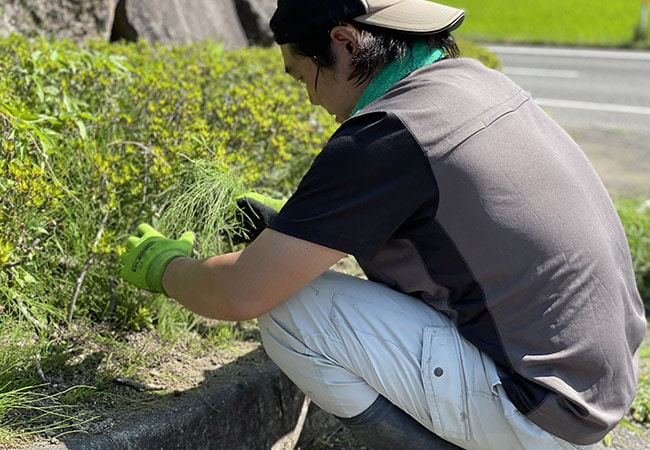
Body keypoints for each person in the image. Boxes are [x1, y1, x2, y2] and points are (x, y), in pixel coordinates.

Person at [119, 1, 647, 449]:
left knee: (290, 312)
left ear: (345, 43)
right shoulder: (474, 85)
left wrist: (166, 267)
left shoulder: (389, 136)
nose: (311, 98)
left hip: (544, 412)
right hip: (597, 385)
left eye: (304, 76)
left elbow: (240, 294)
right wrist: (295, 229)